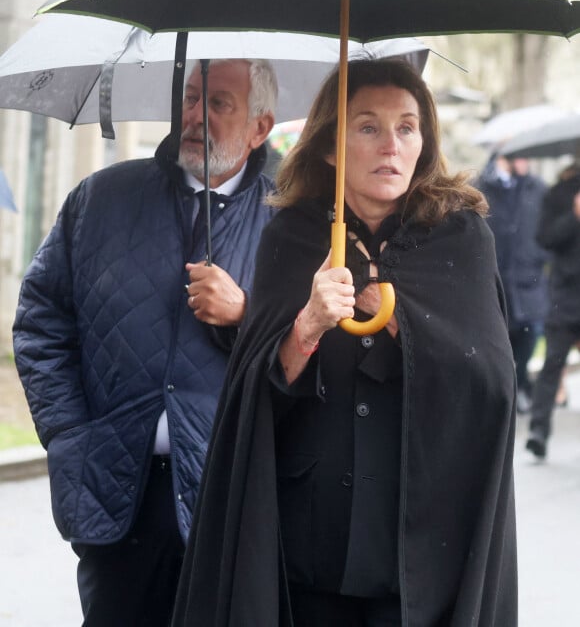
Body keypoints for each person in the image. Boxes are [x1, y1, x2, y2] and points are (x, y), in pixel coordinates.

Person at [172, 57, 518, 627]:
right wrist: (305, 327)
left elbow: (491, 386)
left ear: (423, 143)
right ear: (331, 148)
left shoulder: (460, 238)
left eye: (406, 127)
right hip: (310, 549)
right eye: (368, 127)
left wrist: (402, 324)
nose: (390, 144)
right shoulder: (293, 235)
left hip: (418, 555)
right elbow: (257, 395)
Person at [12, 58, 277, 627]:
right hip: (117, 494)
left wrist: (246, 313)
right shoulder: (101, 199)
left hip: (231, 499)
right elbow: (41, 323)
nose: (195, 116)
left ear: (261, 127)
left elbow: (314, 350)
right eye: (188, 98)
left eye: (219, 104)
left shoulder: (293, 219)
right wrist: (69, 436)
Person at [477, 154, 548, 414]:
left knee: (530, 337)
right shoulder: (481, 187)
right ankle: (507, 392)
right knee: (499, 342)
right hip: (494, 279)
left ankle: (520, 387)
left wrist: (537, 256)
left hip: (529, 279)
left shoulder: (537, 188)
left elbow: (547, 230)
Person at [526, 160, 580, 459]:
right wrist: (574, 216)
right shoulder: (560, 194)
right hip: (566, 297)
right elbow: (544, 237)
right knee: (552, 366)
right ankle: (538, 432)